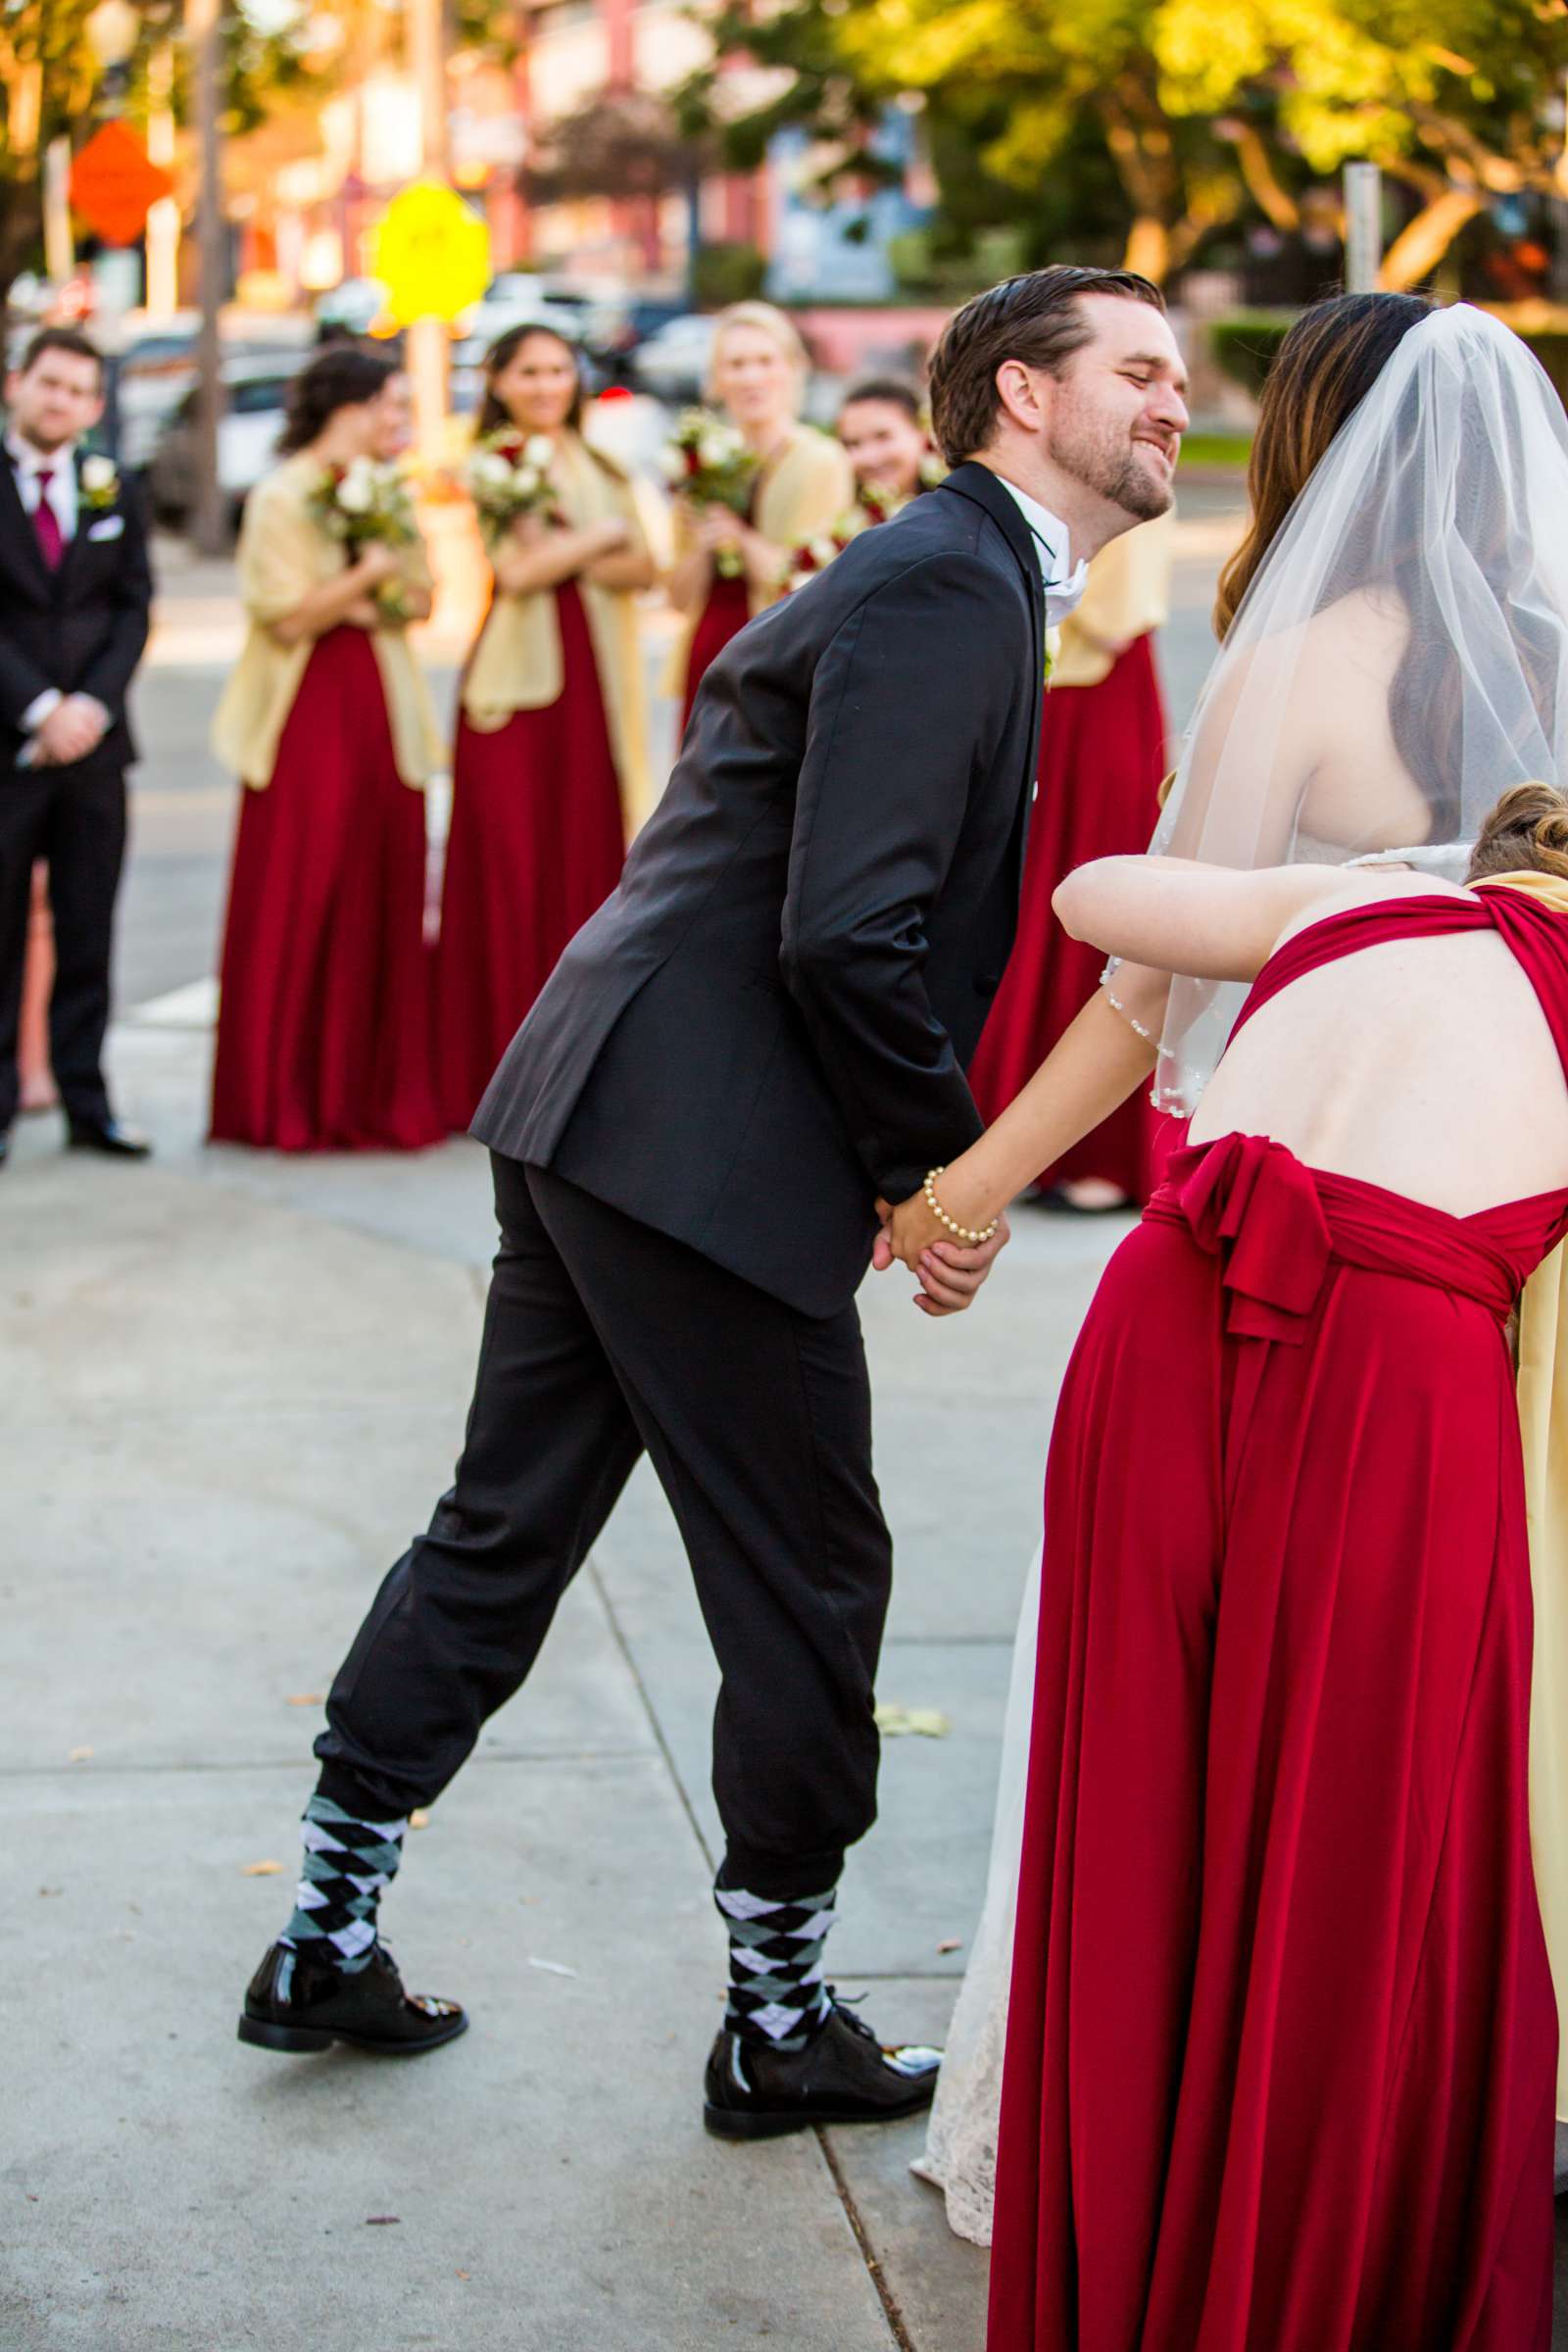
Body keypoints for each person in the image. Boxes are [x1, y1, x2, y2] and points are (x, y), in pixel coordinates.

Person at [232, 267, 1188, 2143]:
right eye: (1139, 370)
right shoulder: (947, 579)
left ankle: (321, 1936)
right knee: (809, 1578)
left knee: (504, 1528)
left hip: (607, 1103)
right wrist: (932, 1173)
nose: (1175, 400)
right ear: (1019, 396)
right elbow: (851, 928)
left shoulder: (949, 569)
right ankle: (777, 2014)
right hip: (705, 1147)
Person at [881, 299, 1568, 2345]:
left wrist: (968, 1188)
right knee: (1463, 1739)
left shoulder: (1302, 656)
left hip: (1289, 1258)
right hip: (1504, 1267)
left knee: (1218, 1726)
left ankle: (1175, 2128)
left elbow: (1138, 980)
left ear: (1309, 451)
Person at [209, 345, 444, 1152]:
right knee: (303, 891)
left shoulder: (388, 491)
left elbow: (420, 597)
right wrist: (363, 580)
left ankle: (371, 1095)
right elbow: (284, 616)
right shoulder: (282, 494)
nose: (398, 421)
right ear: (349, 405)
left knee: (381, 885)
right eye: (390, 404)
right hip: (306, 712)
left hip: (384, 708)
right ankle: (279, 1098)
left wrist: (375, 587)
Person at [433, 326, 656, 1133]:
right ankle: (496, 1068)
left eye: (559, 369)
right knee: (510, 868)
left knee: (588, 868)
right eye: (528, 371)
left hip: (594, 684)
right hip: (518, 686)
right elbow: (520, 570)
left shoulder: (599, 464)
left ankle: (574, 1073)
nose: (546, 384)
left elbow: (649, 568)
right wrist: (598, 539)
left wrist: (573, 546)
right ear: (497, 380)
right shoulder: (491, 461)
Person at [966, 514, 1174, 1212]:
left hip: (1100, 696)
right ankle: (1019, 1129)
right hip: (1051, 692)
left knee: (1097, 898)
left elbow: (1114, 617)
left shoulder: (1137, 492)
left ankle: (1103, 1155)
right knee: (1024, 895)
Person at [0, 325, 154, 1167]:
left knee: (89, 929)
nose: (58, 401)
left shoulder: (113, 488)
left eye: (76, 391)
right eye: (46, 383)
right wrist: (40, 707)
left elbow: (133, 606)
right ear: (17, 386)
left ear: (93, 407)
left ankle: (87, 1103)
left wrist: (91, 704)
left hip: (96, 751)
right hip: (10, 746)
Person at [667, 301, 852, 732]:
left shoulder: (821, 460)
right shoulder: (700, 465)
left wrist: (741, 537)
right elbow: (676, 596)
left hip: (779, 660)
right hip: (708, 649)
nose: (751, 377)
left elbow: (814, 586)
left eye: (765, 361)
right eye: (735, 364)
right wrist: (703, 545)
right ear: (716, 379)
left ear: (793, 368)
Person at [835, 377, 938, 508]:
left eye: (882, 437)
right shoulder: (835, 514)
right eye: (853, 444)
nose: (870, 458)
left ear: (922, 431)